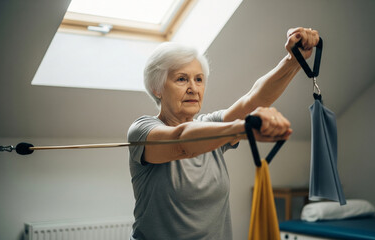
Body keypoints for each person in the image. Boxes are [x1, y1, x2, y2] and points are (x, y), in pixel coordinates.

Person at [128, 27, 319, 240]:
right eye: (182, 79)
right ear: (157, 88)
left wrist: (293, 60)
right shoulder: (142, 129)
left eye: (199, 79)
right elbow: (181, 142)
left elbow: (253, 100)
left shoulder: (210, 125)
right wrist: (242, 127)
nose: (193, 88)